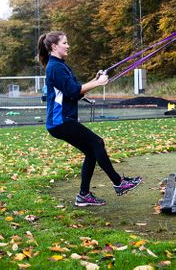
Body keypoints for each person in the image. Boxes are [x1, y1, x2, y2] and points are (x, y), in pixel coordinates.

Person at [38, 31, 142, 207]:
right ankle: (118, 183)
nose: (68, 45)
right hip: (60, 121)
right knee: (97, 143)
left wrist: (94, 80)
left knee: (91, 151)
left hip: (63, 121)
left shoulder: (61, 66)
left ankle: (84, 195)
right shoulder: (55, 67)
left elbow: (75, 92)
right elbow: (73, 91)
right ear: (54, 46)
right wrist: (98, 83)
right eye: (65, 42)